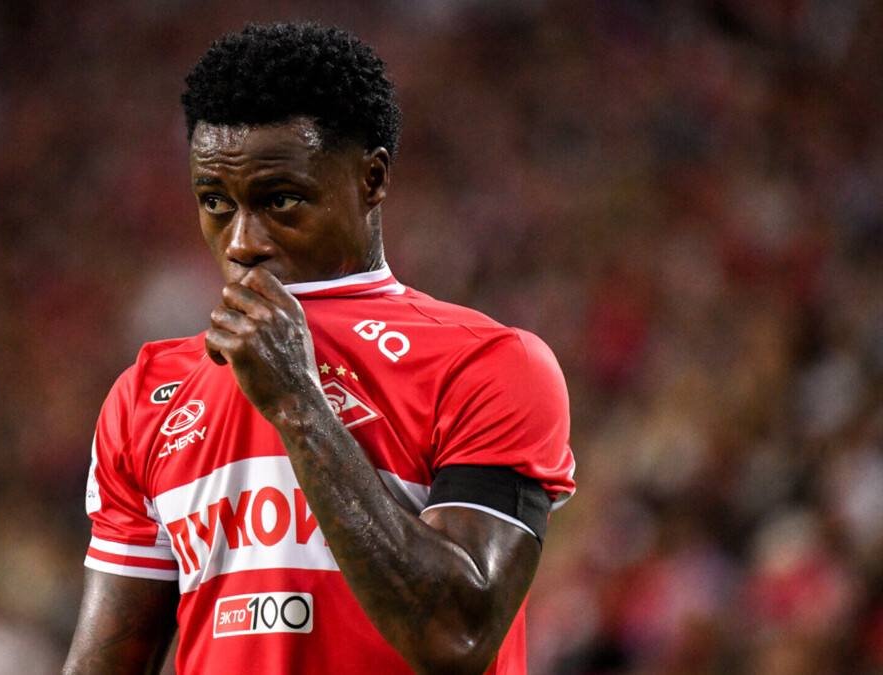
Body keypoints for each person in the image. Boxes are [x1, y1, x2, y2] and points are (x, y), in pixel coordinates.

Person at [63, 22, 575, 675]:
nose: (242, 242)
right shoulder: (147, 394)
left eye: (280, 200)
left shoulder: (487, 364)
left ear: (372, 178)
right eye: (215, 202)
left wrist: (299, 405)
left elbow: (458, 636)